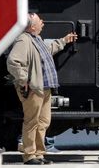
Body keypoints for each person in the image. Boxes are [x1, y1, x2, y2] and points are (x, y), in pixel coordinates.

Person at [7, 12, 77, 165]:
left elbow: (48, 50)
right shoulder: (23, 40)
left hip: (44, 88)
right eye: (40, 21)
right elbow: (13, 62)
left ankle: (39, 154)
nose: (43, 23)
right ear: (32, 26)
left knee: (43, 121)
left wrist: (64, 41)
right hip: (33, 88)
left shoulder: (36, 39)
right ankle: (29, 155)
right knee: (32, 122)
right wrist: (24, 79)